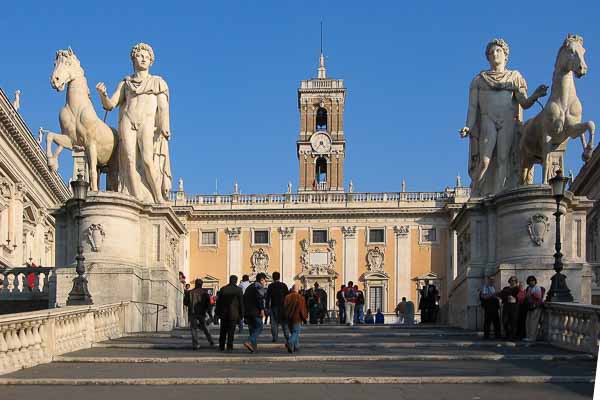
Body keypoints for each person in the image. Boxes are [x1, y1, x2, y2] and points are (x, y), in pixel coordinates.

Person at [460, 38, 548, 196]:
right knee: (485, 160)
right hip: (488, 119)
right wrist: (468, 126)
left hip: (508, 120)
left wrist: (536, 95)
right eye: (491, 52)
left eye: (498, 51)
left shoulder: (514, 77)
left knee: (503, 159)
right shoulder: (479, 80)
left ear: (505, 55)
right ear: (487, 57)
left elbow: (524, 102)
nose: (495, 54)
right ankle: (475, 191)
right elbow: (473, 108)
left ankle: (499, 196)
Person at [96, 43, 172, 204]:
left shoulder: (157, 82)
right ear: (133, 59)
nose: (143, 59)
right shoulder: (125, 83)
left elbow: (163, 107)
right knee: (129, 159)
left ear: (151, 61)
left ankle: (157, 196)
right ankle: (136, 199)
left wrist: (165, 126)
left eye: (147, 56)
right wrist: (103, 95)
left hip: (147, 122)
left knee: (146, 159)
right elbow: (110, 105)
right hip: (127, 121)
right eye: (140, 55)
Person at [183, 278, 214, 350]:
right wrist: (210, 314)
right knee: (205, 328)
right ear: (202, 284)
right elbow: (208, 305)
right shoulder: (205, 293)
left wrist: (190, 304)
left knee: (193, 329)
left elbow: (185, 303)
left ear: (195, 284)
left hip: (192, 313)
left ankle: (195, 344)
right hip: (202, 313)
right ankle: (211, 341)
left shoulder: (189, 292)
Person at [215, 275, 244, 352]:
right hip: (233, 314)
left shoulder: (223, 289)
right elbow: (241, 303)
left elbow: (218, 302)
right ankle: (229, 346)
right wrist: (242, 314)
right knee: (231, 331)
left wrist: (217, 313)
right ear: (236, 281)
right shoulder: (238, 290)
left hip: (223, 313)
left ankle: (221, 346)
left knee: (223, 331)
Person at [243, 272, 268, 353]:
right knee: (259, 327)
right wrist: (262, 309)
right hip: (255, 311)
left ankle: (253, 348)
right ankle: (249, 341)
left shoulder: (249, 287)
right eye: (264, 280)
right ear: (261, 280)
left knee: (252, 329)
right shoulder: (258, 287)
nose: (265, 282)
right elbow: (259, 299)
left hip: (248, 312)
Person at [283, 285, 308, 353]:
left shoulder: (287, 297)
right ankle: (289, 342)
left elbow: (284, 307)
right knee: (296, 332)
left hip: (288, 318)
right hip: (297, 318)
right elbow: (302, 310)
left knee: (293, 332)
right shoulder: (301, 298)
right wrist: (304, 318)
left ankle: (296, 347)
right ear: (297, 290)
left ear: (291, 289)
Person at [266, 271, 289, 342]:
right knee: (284, 323)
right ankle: (287, 336)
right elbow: (287, 296)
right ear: (279, 277)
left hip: (274, 306)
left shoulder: (270, 286)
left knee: (274, 323)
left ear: (273, 278)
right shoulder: (284, 285)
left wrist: (267, 307)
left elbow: (268, 297)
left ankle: (275, 338)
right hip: (283, 307)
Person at [498, 276, 521, 340]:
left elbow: (520, 297)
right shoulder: (506, 288)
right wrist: (506, 297)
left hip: (514, 307)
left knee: (513, 322)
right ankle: (507, 335)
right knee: (505, 321)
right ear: (509, 281)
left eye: (514, 280)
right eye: (511, 280)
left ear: (516, 282)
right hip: (506, 306)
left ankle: (513, 336)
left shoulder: (517, 289)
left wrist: (515, 298)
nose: (512, 282)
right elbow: (501, 295)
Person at [524, 275, 545, 342]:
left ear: (535, 281)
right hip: (529, 307)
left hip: (536, 307)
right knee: (528, 322)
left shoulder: (537, 288)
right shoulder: (529, 288)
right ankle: (528, 336)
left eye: (532, 280)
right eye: (530, 281)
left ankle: (532, 337)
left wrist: (531, 294)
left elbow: (539, 297)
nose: (531, 282)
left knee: (533, 323)